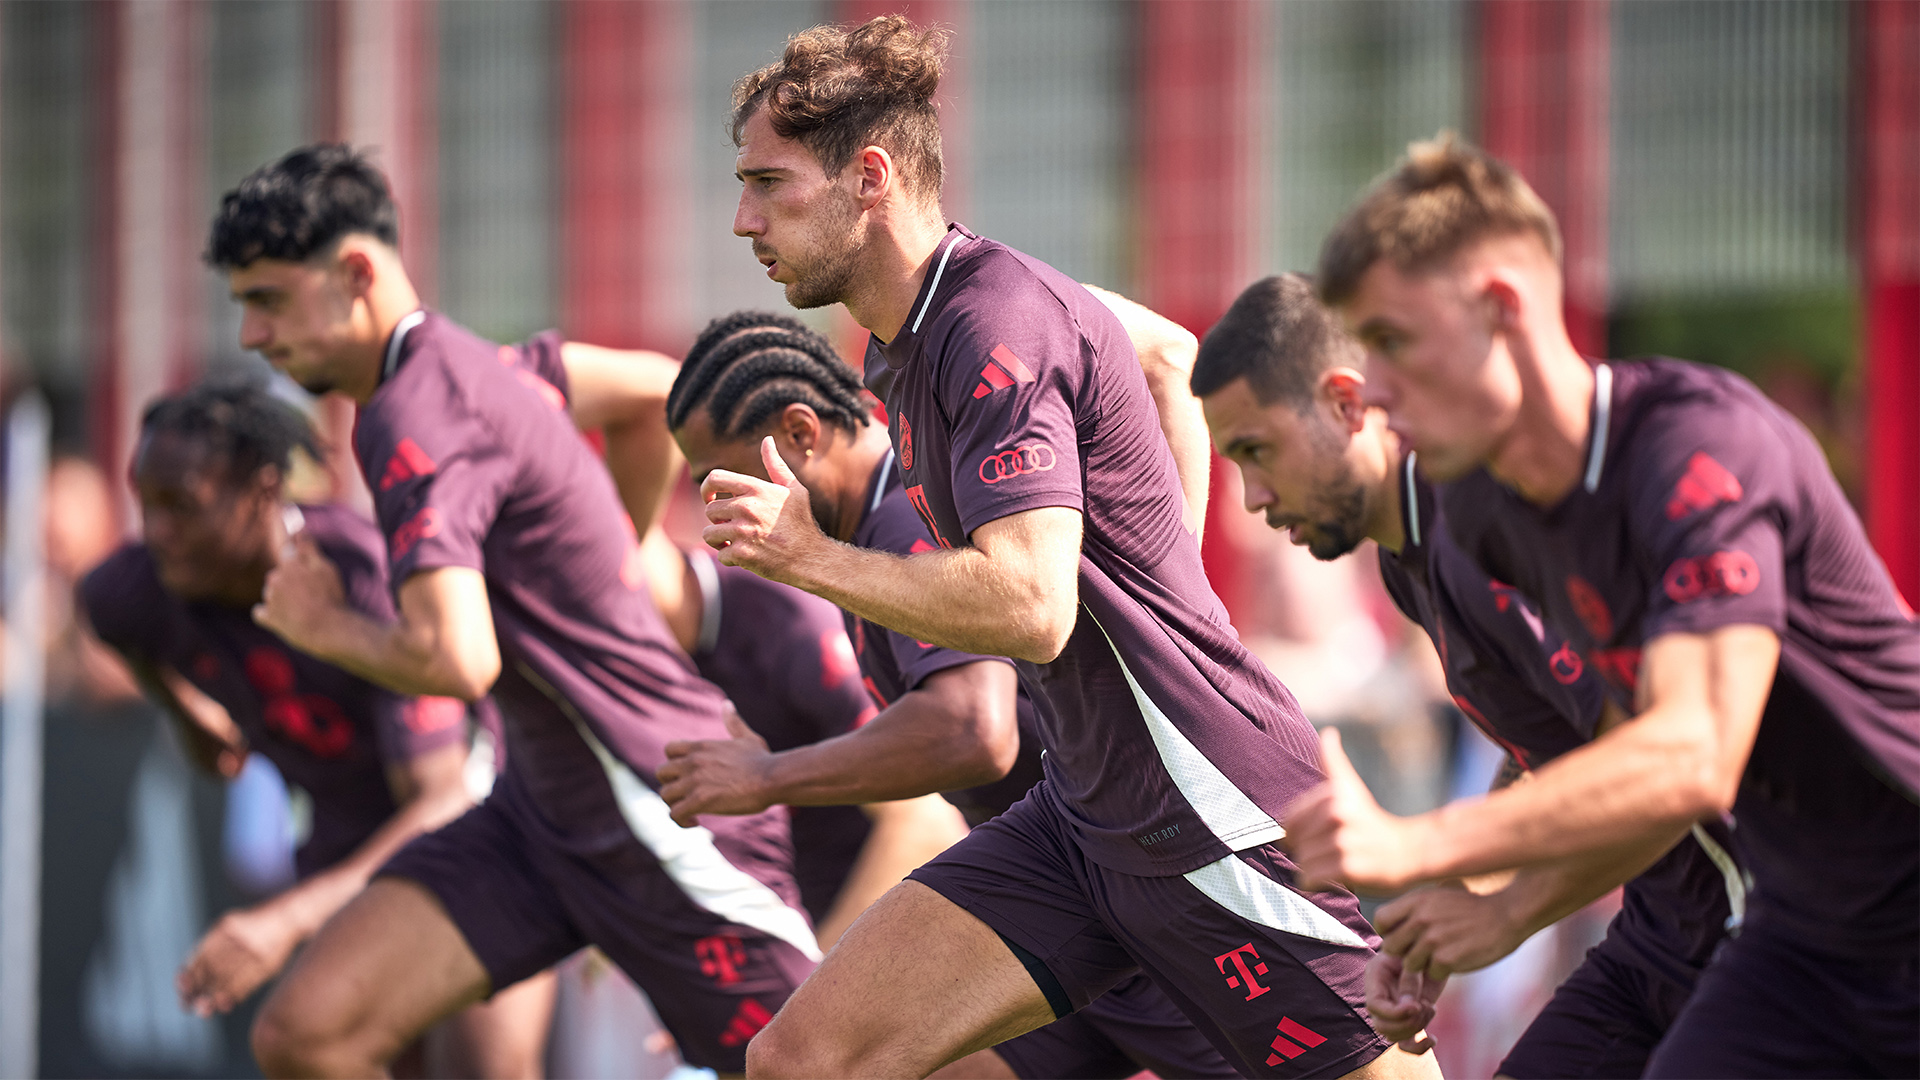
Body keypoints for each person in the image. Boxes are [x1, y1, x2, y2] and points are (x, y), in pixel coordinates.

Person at [702, 17, 1433, 1078]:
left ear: (868, 177)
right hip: (1081, 819)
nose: (742, 220)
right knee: (804, 1059)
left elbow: (1033, 606)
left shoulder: (991, 317)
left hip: (1201, 805)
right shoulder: (912, 337)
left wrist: (807, 557)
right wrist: (1162, 577)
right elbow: (1165, 355)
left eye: (770, 184)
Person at [1291, 132, 1920, 1078]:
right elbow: (1599, 754)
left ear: (1500, 310)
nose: (1373, 392)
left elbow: (1689, 754)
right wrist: (1486, 908)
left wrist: (1417, 843)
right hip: (1803, 936)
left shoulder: (1704, 449)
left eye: (1392, 341)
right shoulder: (1497, 514)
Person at [206, 143, 819, 1077]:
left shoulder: (418, 414)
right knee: (308, 1033)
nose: (252, 336)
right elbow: (655, 390)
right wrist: (622, 552)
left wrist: (324, 626)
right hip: (537, 815)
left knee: (822, 1063)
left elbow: (460, 660)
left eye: (269, 300)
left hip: (656, 810)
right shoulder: (488, 367)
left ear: (356, 273)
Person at [661, 309, 1242, 1079]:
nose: (710, 506)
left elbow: (972, 729)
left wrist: (767, 778)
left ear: (801, 435)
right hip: (1070, 899)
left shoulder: (902, 516)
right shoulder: (855, 533)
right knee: (813, 1061)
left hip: (1152, 888)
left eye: (716, 477)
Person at [1193, 272, 1749, 1078]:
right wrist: (1450, 917)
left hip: (1768, 923)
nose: (1251, 497)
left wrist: (1483, 894)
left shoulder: (1477, 526)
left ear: (1349, 407)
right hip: (1662, 932)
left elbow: (1648, 765)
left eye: (1258, 450)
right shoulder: (1404, 559)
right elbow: (1544, 756)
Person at [77, 380, 554, 1077]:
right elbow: (104, 615)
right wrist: (186, 707)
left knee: (488, 1068)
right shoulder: (141, 588)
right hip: (344, 852)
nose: (157, 532)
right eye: (145, 504)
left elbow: (441, 800)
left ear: (261, 491)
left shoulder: (363, 579)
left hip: (486, 841)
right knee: (310, 1047)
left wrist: (284, 921)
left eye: (183, 505)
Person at [507, 325, 969, 952]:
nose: (718, 512)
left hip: (911, 928)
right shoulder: (658, 666)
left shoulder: (796, 615)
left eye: (726, 483)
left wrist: (813, 986)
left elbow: (925, 817)